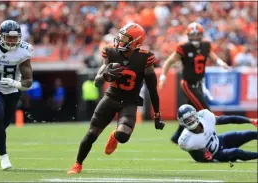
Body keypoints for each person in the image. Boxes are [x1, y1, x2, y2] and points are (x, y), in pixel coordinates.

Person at [67, 23, 165, 174]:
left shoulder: (145, 58)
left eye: (125, 38)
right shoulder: (111, 52)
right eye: (121, 36)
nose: (120, 40)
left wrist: (157, 115)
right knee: (92, 133)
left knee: (123, 136)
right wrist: (104, 75)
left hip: (130, 102)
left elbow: (152, 88)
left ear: (136, 42)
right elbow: (97, 81)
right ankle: (77, 164)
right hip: (111, 98)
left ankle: (114, 135)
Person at [158, 22, 230, 144]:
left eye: (197, 35)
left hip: (199, 84)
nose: (195, 37)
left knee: (192, 111)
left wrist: (220, 62)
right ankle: (211, 138)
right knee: (206, 111)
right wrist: (163, 78)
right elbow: (168, 62)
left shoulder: (206, 45)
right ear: (188, 35)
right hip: (188, 84)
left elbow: (212, 55)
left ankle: (176, 137)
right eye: (193, 35)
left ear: (201, 35)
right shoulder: (184, 47)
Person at [0, 20, 33, 170]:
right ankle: (4, 157)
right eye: (9, 37)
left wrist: (14, 83)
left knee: (2, 126)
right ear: (0, 36)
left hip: (12, 92)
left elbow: (28, 81)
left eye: (15, 37)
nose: (12, 40)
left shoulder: (23, 51)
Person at [177, 104, 257, 162]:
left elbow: (227, 119)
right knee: (237, 152)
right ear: (182, 123)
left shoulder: (205, 116)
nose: (190, 121)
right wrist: (204, 156)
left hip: (220, 140)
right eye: (187, 120)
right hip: (216, 154)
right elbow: (196, 156)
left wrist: (249, 120)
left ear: (196, 114)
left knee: (248, 134)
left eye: (191, 117)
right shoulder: (185, 140)